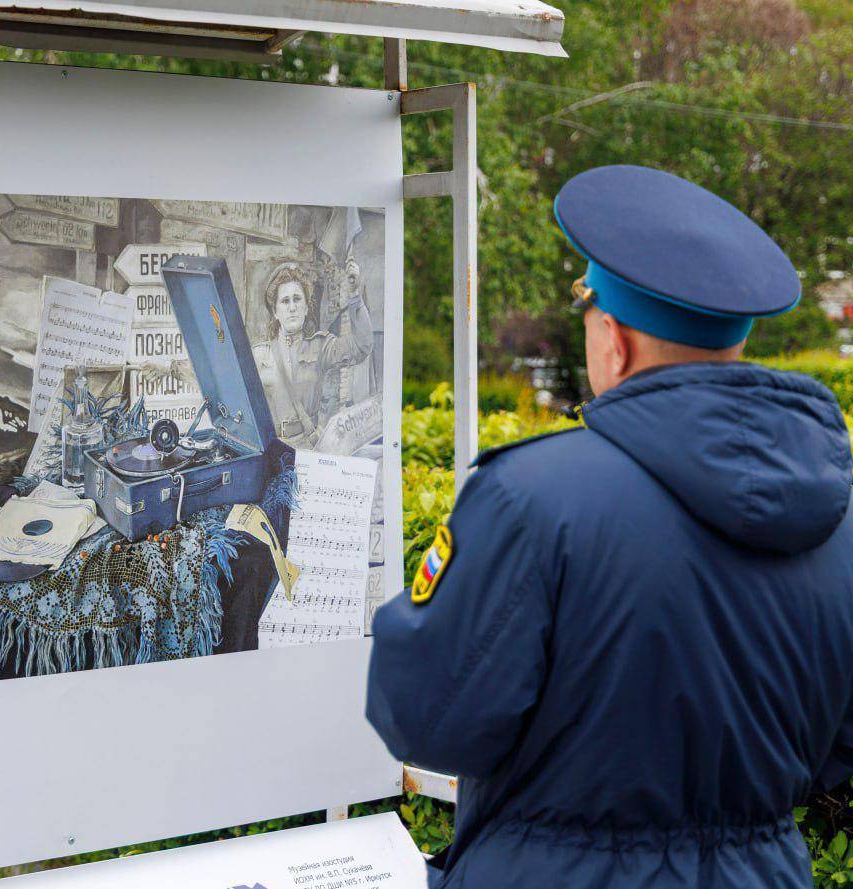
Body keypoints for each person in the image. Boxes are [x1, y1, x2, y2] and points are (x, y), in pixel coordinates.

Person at [366, 165, 853, 887]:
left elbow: (428, 719)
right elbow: (837, 749)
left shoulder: (528, 496)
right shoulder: (837, 513)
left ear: (614, 341)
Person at [252, 259, 373, 449]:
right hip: (270, 447)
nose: (292, 307)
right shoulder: (259, 356)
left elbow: (361, 346)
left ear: (306, 308)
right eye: (285, 301)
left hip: (306, 446)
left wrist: (354, 295)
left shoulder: (321, 347)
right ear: (275, 311)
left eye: (297, 299)